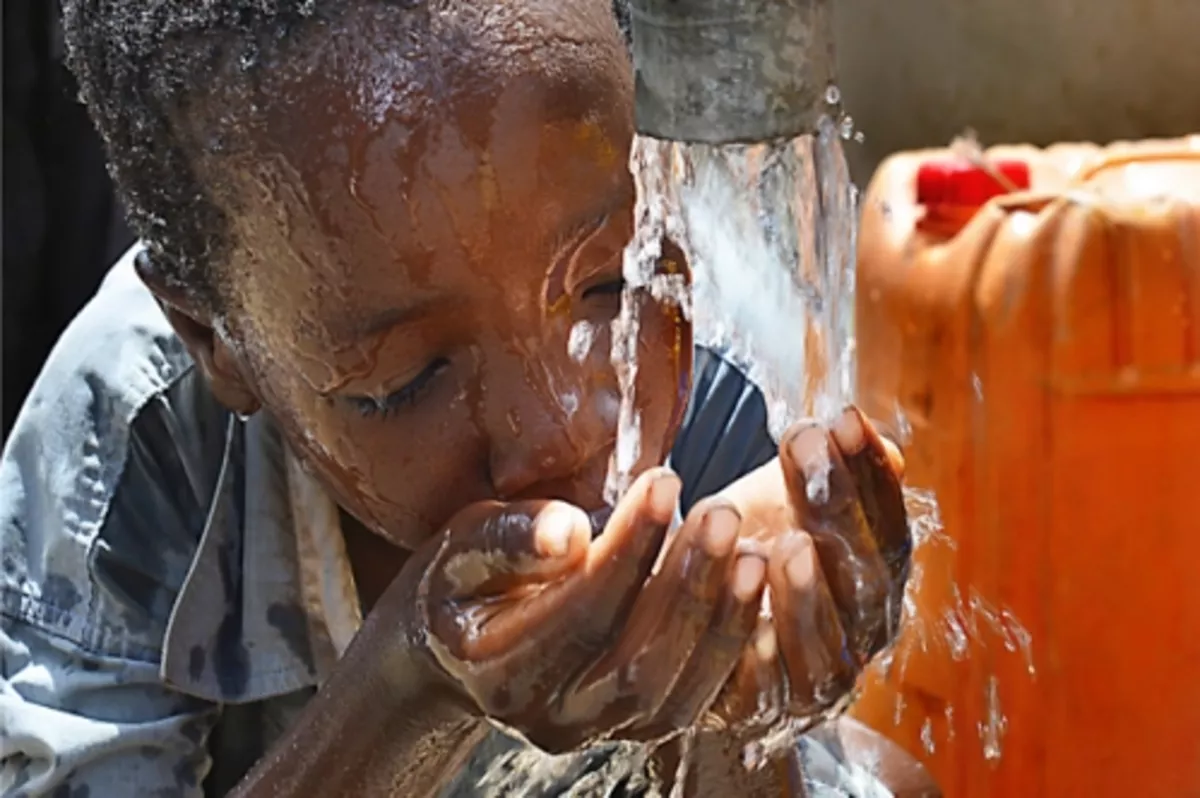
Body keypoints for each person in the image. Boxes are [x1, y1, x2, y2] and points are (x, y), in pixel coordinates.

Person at [0, 0, 938, 796]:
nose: (562, 431)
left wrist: (734, 723)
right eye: (409, 379)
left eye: (605, 285)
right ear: (217, 343)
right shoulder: (130, 450)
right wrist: (409, 689)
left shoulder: (717, 345)